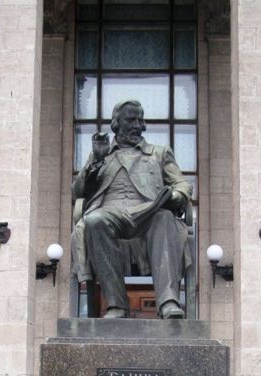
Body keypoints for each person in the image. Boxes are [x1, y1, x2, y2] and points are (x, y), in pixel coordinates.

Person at [71, 99, 193, 319]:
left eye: (140, 119)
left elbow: (181, 183)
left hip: (148, 215)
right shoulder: (102, 155)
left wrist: (177, 195)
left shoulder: (159, 153)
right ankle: (116, 304)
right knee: (93, 221)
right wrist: (96, 161)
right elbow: (79, 191)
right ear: (117, 123)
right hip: (112, 216)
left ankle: (168, 302)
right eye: (131, 119)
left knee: (164, 217)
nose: (137, 125)